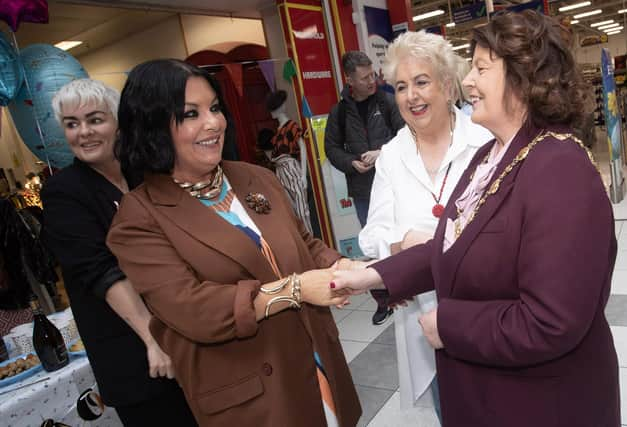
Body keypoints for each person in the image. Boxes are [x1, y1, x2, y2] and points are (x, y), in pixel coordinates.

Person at [332, 10, 620, 427]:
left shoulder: (559, 167)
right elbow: (455, 243)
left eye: (481, 69)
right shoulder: (495, 155)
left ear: (523, 78)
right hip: (494, 390)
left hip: (542, 403)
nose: (467, 82)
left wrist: (449, 324)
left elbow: (551, 321)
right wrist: (371, 276)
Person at [106, 59, 361, 427]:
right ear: (153, 127)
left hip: (316, 365)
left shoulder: (254, 177)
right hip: (254, 397)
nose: (213, 122)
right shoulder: (138, 218)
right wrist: (296, 289)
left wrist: (341, 265)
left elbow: (301, 241)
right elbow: (194, 309)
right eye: (190, 114)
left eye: (213, 108)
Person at [41, 79, 197, 426]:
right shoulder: (63, 192)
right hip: (135, 352)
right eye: (71, 124)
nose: (83, 132)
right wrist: (152, 337)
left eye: (95, 120)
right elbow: (103, 273)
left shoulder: (143, 174)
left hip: (184, 336)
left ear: (117, 122)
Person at [358, 31, 493, 419]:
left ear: (448, 86)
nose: (411, 96)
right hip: (423, 315)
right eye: (401, 86)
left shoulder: (485, 142)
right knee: (448, 408)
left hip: (484, 310)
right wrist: (400, 244)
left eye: (421, 82)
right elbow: (373, 235)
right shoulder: (392, 156)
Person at [325, 50, 404, 325]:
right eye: (365, 77)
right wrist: (351, 163)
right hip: (363, 191)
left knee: (400, 240)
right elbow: (331, 148)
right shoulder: (340, 113)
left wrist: (381, 153)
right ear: (350, 80)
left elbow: (408, 134)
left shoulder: (388, 101)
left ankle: (407, 288)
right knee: (373, 246)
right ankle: (384, 300)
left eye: (372, 74)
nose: (372, 81)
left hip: (397, 185)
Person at [263, 90, 313, 232]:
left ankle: (312, 245)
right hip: (281, 171)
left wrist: (303, 175)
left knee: (303, 210)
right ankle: (304, 245)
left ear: (280, 108)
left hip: (291, 167)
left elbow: (302, 147)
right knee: (292, 211)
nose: (272, 113)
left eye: (274, 109)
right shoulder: (278, 131)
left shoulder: (291, 125)